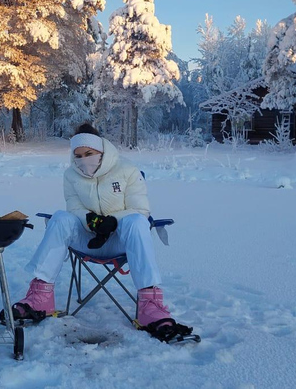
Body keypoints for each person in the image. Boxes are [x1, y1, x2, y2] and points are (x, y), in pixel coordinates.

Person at [12, 123, 192, 340]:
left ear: (101, 150)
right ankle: (40, 297)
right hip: (87, 240)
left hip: (120, 241)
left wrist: (112, 222)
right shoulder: (71, 175)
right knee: (60, 218)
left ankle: (150, 305)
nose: (83, 160)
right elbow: (74, 207)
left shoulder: (127, 171)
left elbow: (141, 210)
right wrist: (90, 220)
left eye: (89, 153)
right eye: (78, 155)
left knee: (136, 222)